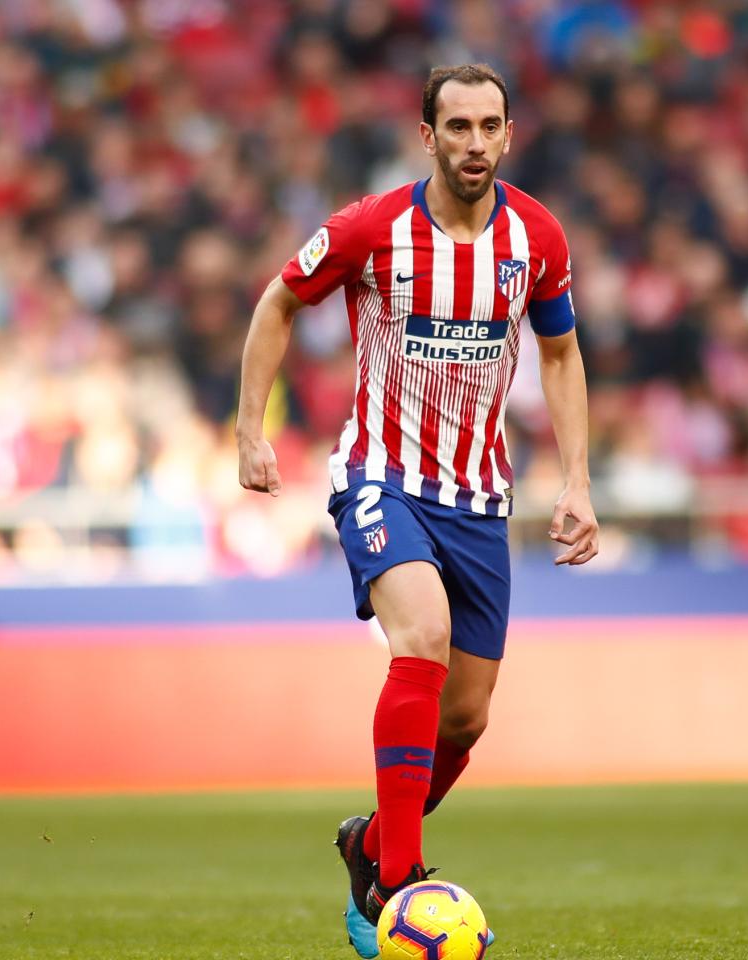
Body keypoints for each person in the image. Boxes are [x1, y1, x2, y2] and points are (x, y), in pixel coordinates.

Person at [235, 63, 598, 957]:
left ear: (509, 135)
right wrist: (250, 429)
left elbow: (558, 355)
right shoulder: (371, 228)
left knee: (466, 718)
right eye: (457, 126)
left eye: (489, 126)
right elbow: (280, 300)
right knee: (422, 638)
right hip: (380, 478)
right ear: (426, 134)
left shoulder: (536, 238)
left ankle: (369, 842)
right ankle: (401, 880)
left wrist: (578, 481)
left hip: (479, 499)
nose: (474, 143)